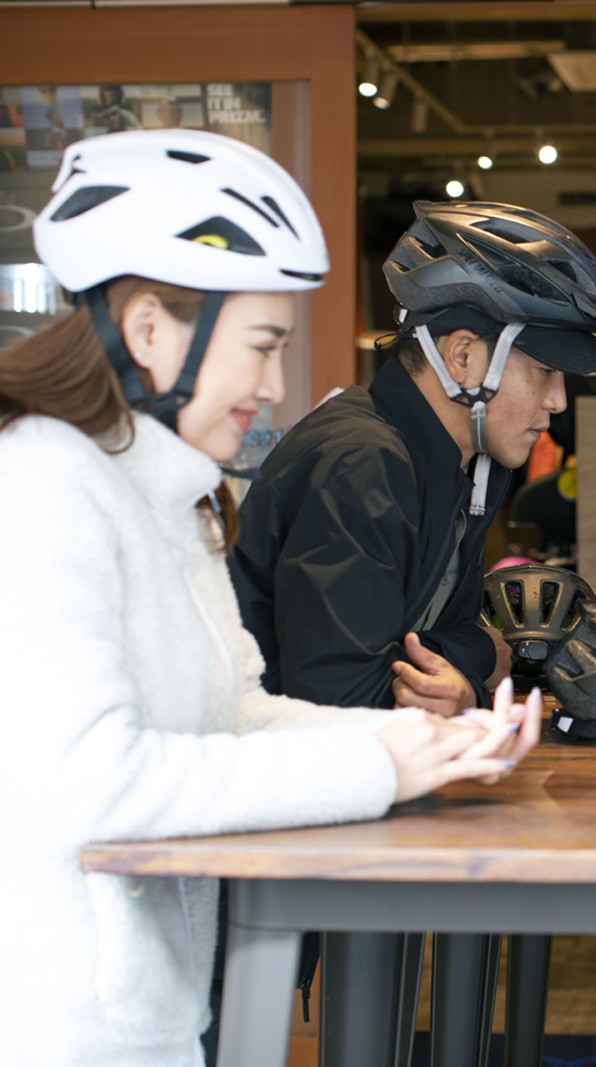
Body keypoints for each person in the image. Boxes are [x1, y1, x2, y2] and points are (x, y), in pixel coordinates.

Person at [0, 128, 538, 1067]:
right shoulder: (44, 484)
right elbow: (96, 784)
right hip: (61, 1025)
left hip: (150, 1016)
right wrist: (382, 770)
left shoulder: (171, 497)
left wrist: (420, 743)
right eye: (260, 345)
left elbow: (236, 714)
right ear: (150, 330)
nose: (278, 384)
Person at [227, 199, 596, 1063]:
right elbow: (340, 705)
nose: (559, 401)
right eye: (545, 371)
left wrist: (464, 669)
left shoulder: (456, 462)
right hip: (243, 856)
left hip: (324, 833)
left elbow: (462, 638)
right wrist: (471, 666)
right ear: (463, 357)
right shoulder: (364, 460)